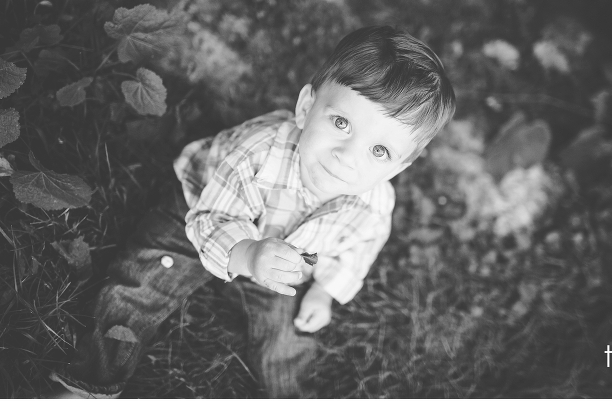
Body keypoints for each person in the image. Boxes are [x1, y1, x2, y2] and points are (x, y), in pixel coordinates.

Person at [50, 25, 456, 398]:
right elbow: (212, 219)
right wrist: (248, 255)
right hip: (204, 207)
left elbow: (360, 248)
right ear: (305, 108)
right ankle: (89, 385)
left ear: (399, 167)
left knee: (283, 336)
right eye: (341, 123)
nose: (348, 156)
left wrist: (324, 292)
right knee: (142, 283)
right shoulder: (258, 151)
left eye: (379, 151)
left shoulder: (373, 203)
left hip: (279, 255)